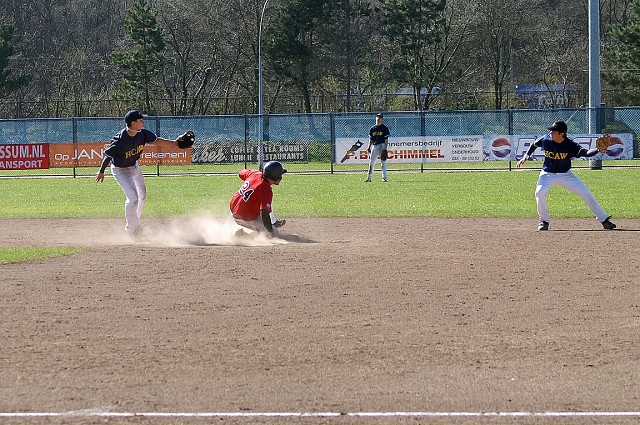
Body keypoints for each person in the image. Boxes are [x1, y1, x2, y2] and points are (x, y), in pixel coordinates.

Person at [96, 109, 185, 241]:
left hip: (134, 166)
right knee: (133, 198)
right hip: (120, 170)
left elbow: (156, 141)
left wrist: (174, 143)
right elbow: (108, 155)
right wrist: (101, 171)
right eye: (140, 120)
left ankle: (135, 224)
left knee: (142, 195)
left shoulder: (142, 134)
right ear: (133, 123)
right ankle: (132, 229)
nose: (143, 122)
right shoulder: (120, 140)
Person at [516, 120, 616, 231]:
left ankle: (604, 220)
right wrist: (526, 155)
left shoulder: (570, 145)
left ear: (561, 133)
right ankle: (544, 221)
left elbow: (586, 153)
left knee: (585, 192)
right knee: (539, 192)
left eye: (554, 131)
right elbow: (534, 144)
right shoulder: (546, 140)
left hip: (566, 175)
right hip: (547, 174)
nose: (550, 132)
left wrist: (597, 149)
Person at [230, 161, 287, 237]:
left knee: (265, 202)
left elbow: (241, 173)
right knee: (274, 233)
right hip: (244, 218)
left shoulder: (255, 173)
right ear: (276, 177)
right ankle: (245, 235)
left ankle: (271, 222)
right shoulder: (266, 190)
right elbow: (264, 213)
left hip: (234, 207)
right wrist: (270, 232)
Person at [365, 113, 390, 182]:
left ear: (382, 119)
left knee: (383, 163)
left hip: (382, 145)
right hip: (374, 146)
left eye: (380, 117)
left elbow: (386, 139)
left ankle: (384, 178)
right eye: (377, 117)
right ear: (375, 118)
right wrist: (369, 147)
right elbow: (371, 139)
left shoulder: (384, 128)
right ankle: (369, 178)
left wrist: (385, 149)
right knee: (371, 162)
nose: (378, 119)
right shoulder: (372, 129)